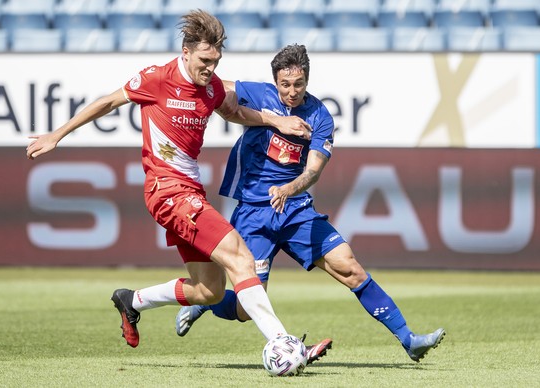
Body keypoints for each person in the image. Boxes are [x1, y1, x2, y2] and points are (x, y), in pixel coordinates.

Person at [25, 10, 318, 357]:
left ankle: (131, 301)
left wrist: (276, 121)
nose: (210, 68)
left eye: (216, 60)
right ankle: (283, 344)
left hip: (190, 191)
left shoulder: (210, 87)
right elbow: (106, 102)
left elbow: (234, 112)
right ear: (186, 52)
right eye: (205, 60)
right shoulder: (156, 79)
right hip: (167, 189)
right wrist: (57, 135)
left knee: (209, 290)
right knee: (241, 257)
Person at [175, 44, 446, 363]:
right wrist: (182, 74)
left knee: (351, 269)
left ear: (307, 80)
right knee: (244, 310)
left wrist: (290, 188)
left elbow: (314, 170)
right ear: (275, 82)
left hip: (295, 210)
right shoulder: (258, 95)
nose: (291, 91)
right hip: (253, 214)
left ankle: (408, 339)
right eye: (285, 84)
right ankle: (205, 302)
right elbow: (214, 84)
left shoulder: (319, 116)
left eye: (298, 84)